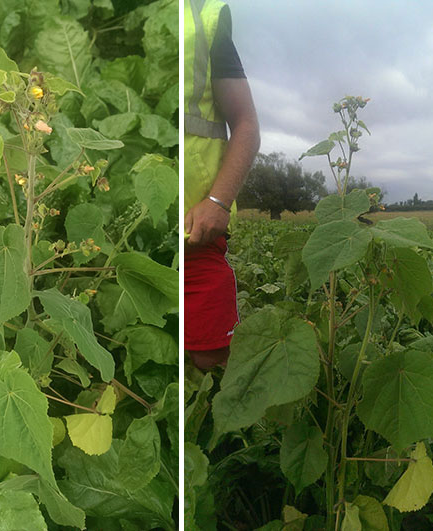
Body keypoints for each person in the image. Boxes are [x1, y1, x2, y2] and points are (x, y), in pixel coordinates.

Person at [184, 0, 260, 369]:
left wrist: (218, 201)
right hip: (118, 231)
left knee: (208, 368)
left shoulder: (206, 15)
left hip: (193, 236)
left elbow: (245, 122)